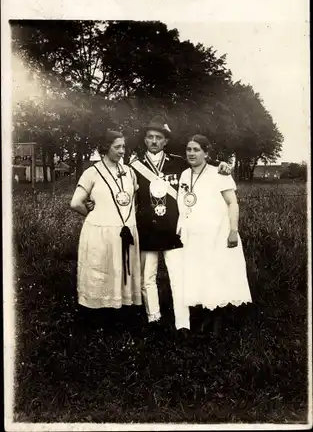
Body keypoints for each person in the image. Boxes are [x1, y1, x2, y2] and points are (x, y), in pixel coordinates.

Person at [129, 117, 231, 334]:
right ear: (145, 140)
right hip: (147, 229)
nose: (154, 141)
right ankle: (153, 318)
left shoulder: (179, 162)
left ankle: (182, 323)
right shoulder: (133, 167)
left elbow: (204, 166)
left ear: (165, 141)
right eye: (150, 137)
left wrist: (224, 164)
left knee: (179, 278)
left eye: (159, 138)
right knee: (148, 278)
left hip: (173, 231)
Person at [176, 134, 252, 332]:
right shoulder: (184, 175)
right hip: (194, 235)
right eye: (189, 149)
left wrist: (233, 231)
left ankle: (217, 318)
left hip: (217, 233)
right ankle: (206, 314)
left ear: (206, 153)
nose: (191, 153)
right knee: (200, 274)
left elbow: (232, 203)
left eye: (196, 150)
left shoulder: (219, 173)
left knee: (217, 273)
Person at [70, 130, 142, 314]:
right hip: (100, 231)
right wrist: (95, 214)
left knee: (121, 270)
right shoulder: (91, 173)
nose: (121, 151)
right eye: (117, 147)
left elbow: (130, 198)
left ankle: (121, 308)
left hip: (125, 230)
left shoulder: (129, 172)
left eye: (123, 147)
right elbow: (76, 202)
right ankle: (98, 311)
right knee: (101, 270)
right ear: (105, 147)